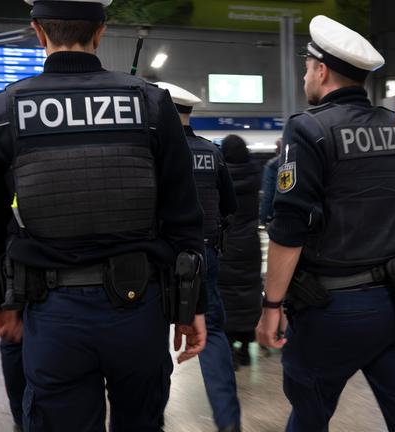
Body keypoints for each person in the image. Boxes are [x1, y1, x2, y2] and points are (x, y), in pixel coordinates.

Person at [0, 1, 207, 430]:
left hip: (52, 314)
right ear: (101, 31)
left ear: (38, 31)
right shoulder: (150, 104)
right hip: (139, 310)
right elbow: (185, 216)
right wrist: (191, 306)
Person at [256, 15, 395, 431]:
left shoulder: (307, 130)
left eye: (307, 68)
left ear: (321, 71)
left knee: (310, 414)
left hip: (336, 311)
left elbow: (290, 227)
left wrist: (272, 306)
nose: (305, 76)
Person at [156, 82, 241, 432]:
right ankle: (229, 422)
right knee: (214, 332)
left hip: (162, 255)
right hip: (205, 253)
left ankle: (151, 416)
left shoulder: (154, 151)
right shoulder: (212, 152)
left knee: (152, 333)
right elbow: (229, 206)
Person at [218, 134, 263, 368]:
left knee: (227, 295)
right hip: (249, 243)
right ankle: (245, 348)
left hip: (226, 244)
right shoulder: (254, 175)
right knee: (249, 291)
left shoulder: (220, 176)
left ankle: (230, 348)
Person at [259, 139, 282, 226]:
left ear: (277, 149)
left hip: (276, 214)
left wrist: (262, 220)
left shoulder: (271, 165)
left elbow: (267, 196)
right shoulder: (298, 163)